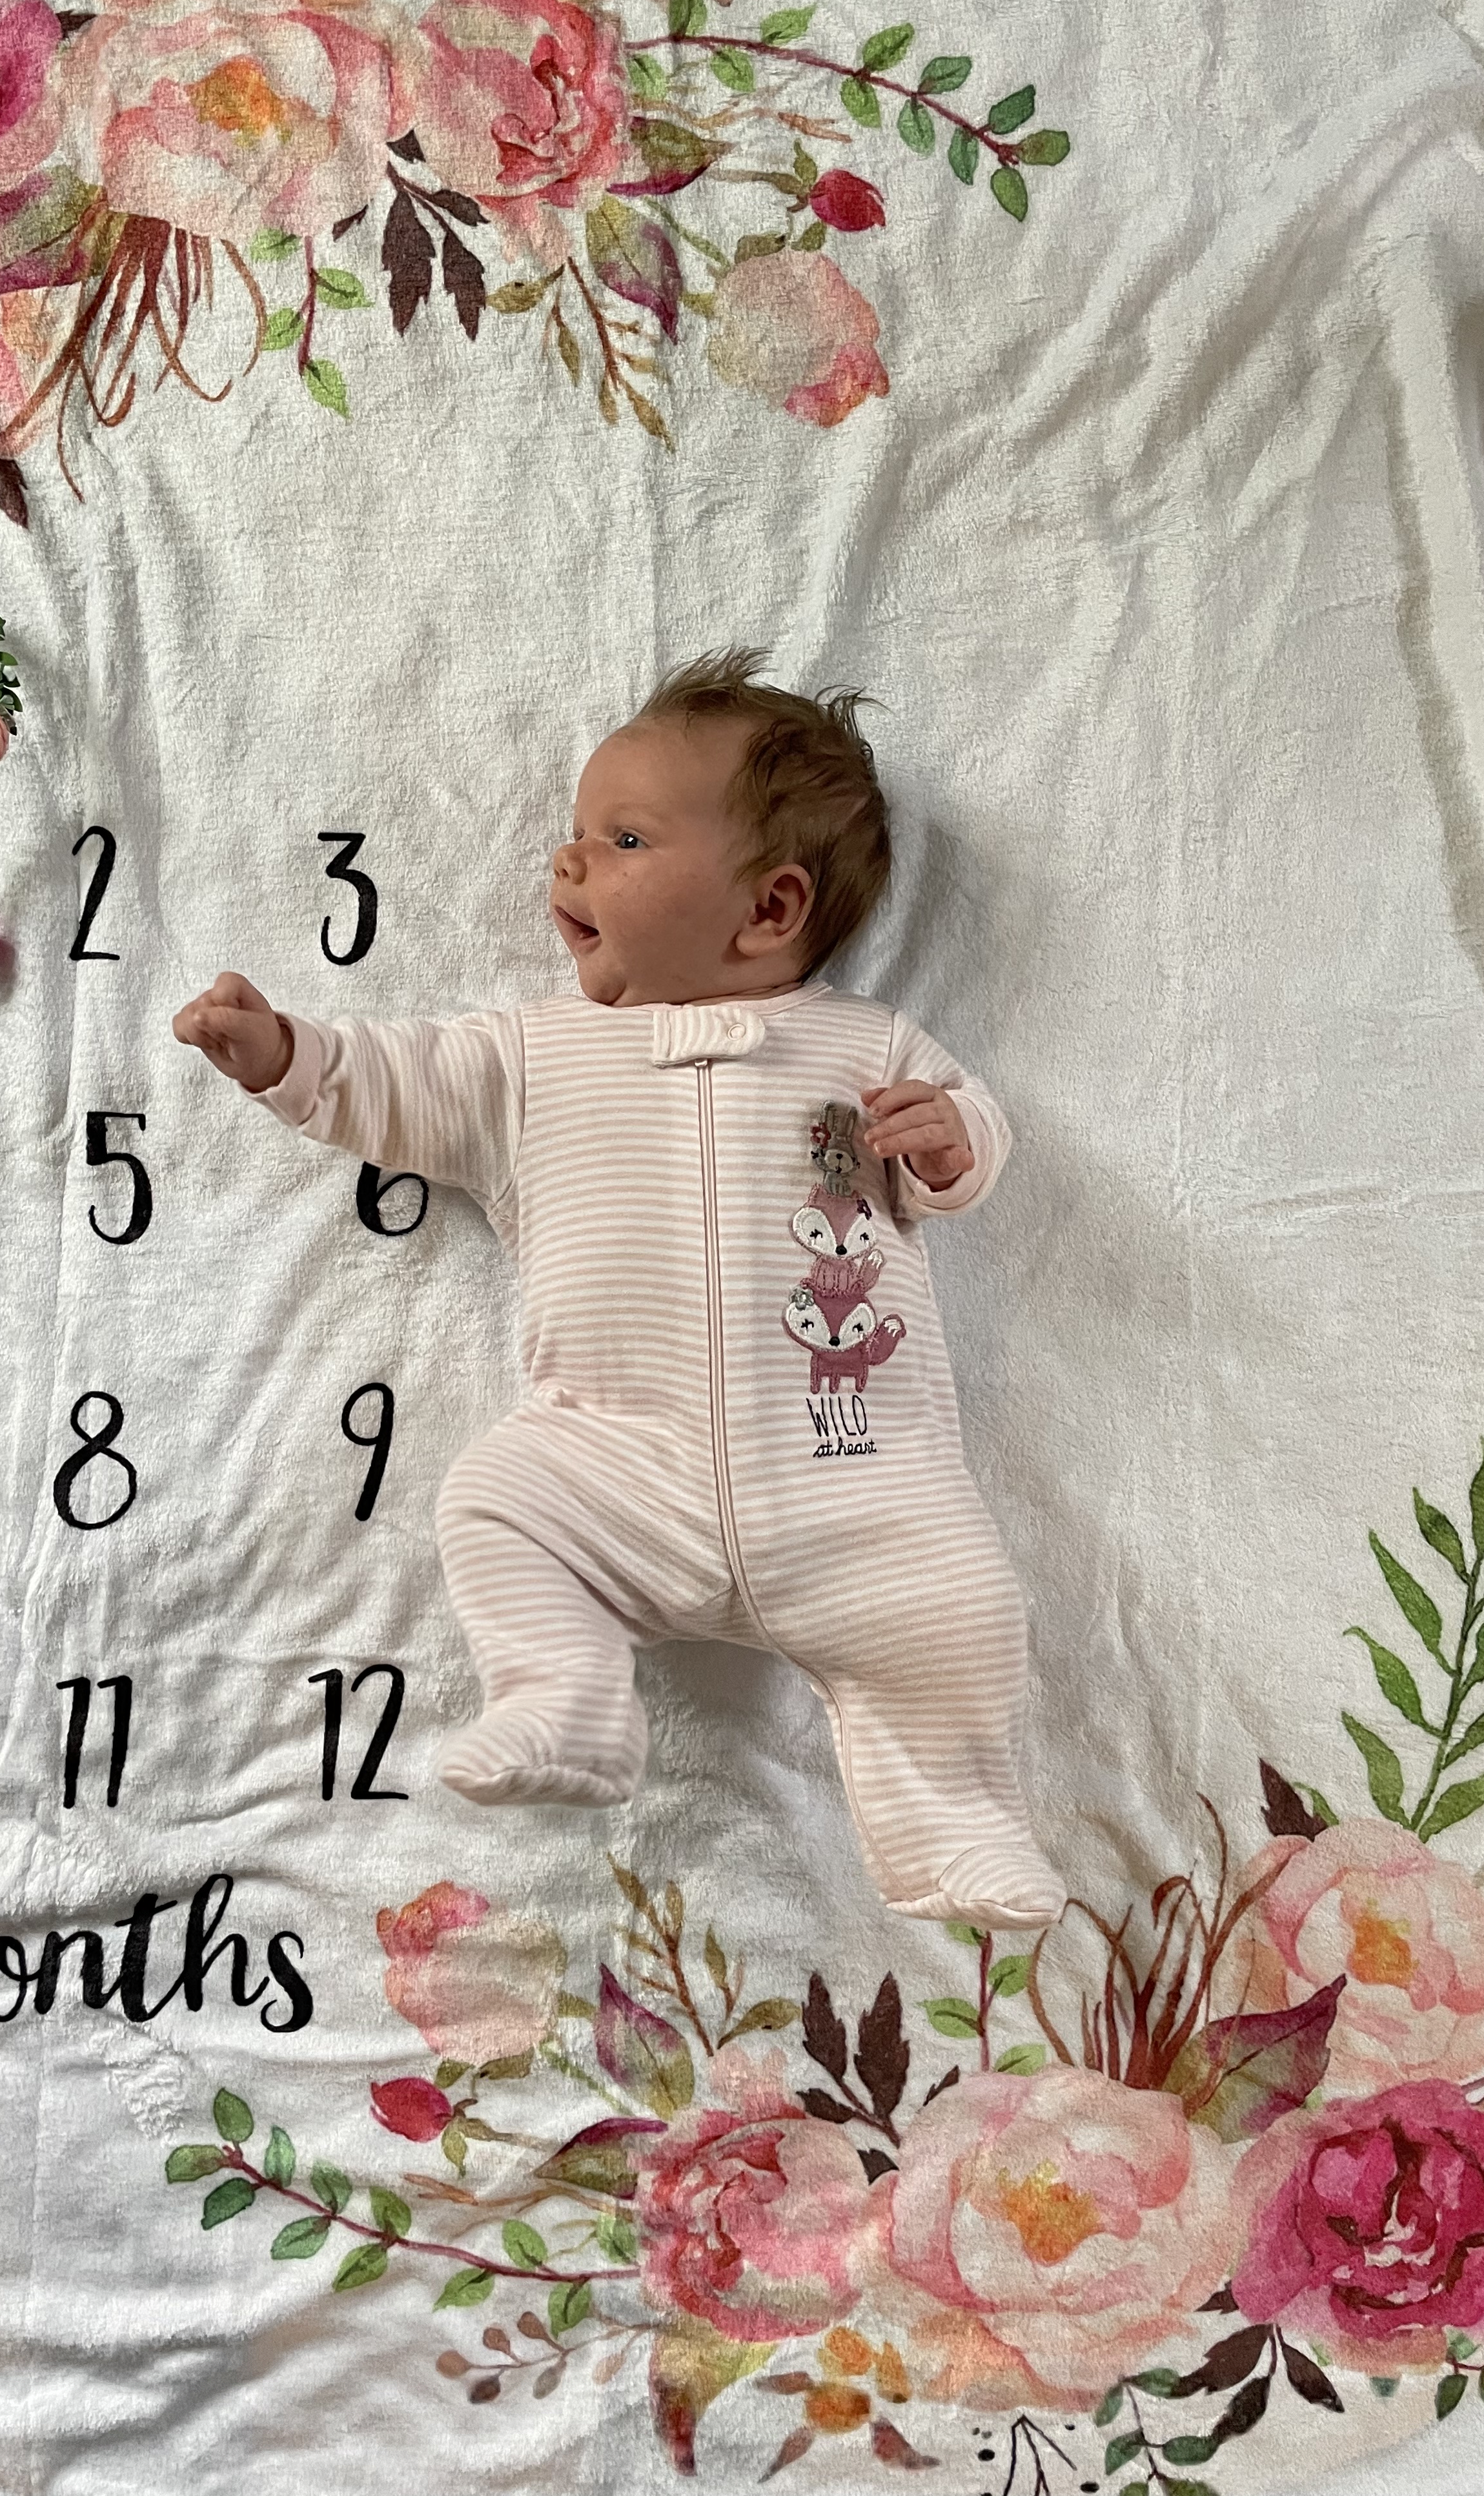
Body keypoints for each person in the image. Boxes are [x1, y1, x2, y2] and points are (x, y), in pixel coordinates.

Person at [173, 648, 1065, 1931]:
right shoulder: (530, 1056)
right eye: (579, 832)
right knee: (496, 1499)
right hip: (619, 1467)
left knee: (961, 1610)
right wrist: (279, 1053)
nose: (569, 861)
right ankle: (565, 1695)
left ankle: (961, 1821)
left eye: (625, 839)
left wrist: (949, 1141)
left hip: (856, 1479)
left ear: (770, 909)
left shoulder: (868, 1047)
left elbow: (971, 1134)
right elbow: (394, 1080)